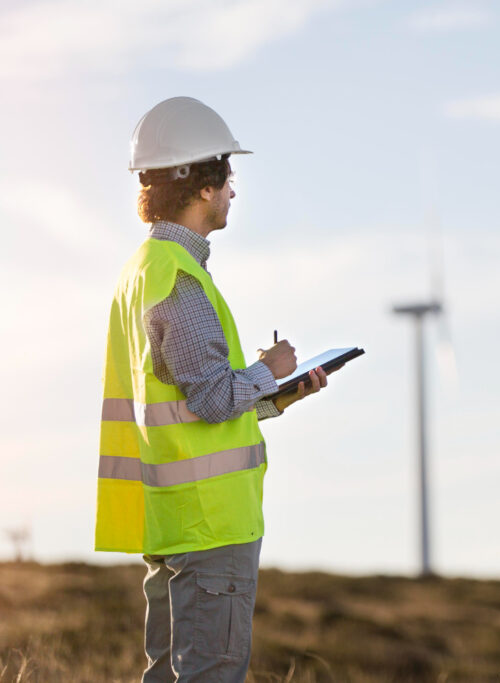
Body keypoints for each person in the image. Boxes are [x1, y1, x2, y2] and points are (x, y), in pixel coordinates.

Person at [95, 96, 328, 682]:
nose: (233, 192)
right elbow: (210, 398)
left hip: (174, 526)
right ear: (202, 185)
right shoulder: (179, 278)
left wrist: (278, 397)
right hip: (211, 530)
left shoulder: (141, 272)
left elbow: (184, 405)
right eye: (228, 177)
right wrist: (270, 369)